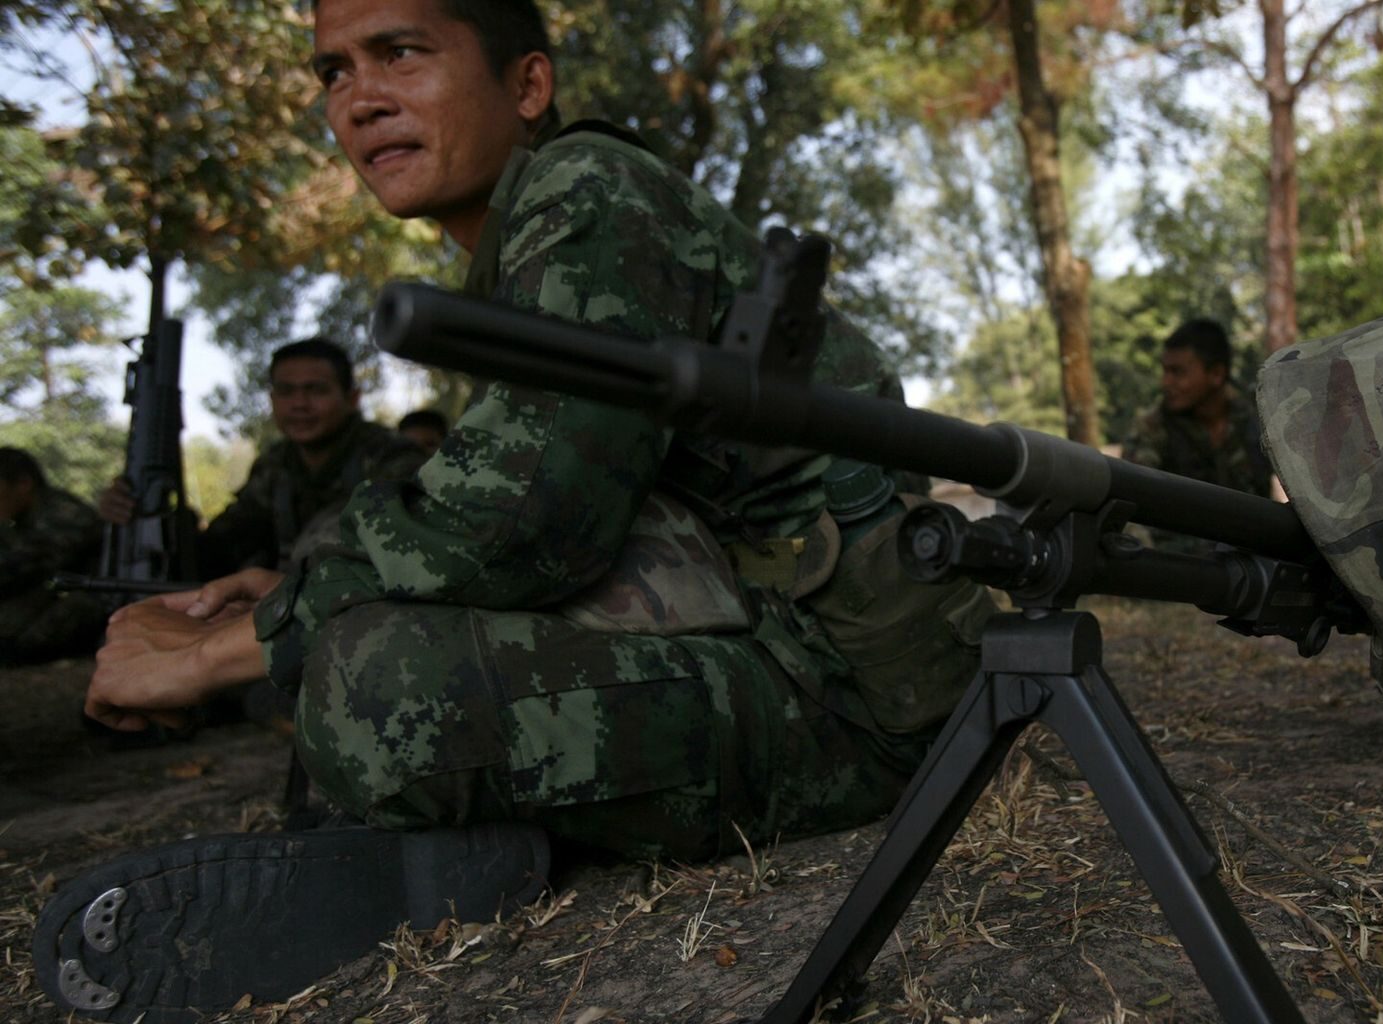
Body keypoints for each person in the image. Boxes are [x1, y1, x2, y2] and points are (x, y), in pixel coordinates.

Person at [36, 0, 989, 1018]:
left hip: (855, 699)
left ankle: (437, 853)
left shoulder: (590, 189)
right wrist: (285, 593)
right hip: (758, 627)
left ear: (527, 87)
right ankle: (456, 841)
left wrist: (219, 651)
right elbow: (511, 505)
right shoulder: (525, 253)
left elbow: (530, 518)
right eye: (333, 73)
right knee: (350, 626)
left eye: (399, 53)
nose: (360, 100)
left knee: (371, 684)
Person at [97, 337, 426, 577]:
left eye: (316, 390)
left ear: (351, 398)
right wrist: (153, 517)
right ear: (271, 400)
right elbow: (222, 547)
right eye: (286, 392)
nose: (299, 404)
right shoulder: (275, 467)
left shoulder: (394, 459)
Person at [1122, 319, 1273, 550]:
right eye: (1165, 371)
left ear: (1216, 374)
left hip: (1255, 559)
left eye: (1177, 372)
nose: (1165, 382)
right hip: (1182, 568)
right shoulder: (1153, 428)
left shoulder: (1258, 420)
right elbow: (1130, 504)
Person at [0, 448, 109, 664]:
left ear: (24, 484)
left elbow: (25, 568)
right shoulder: (21, 518)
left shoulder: (64, 513)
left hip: (93, 602)